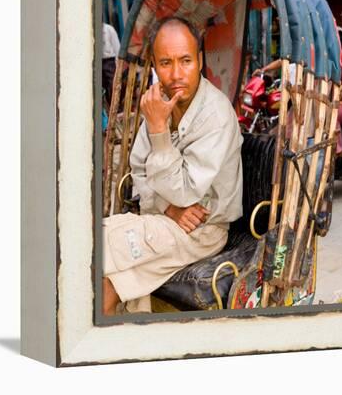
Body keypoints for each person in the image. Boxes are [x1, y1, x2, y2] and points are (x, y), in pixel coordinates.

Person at [102, 16, 243, 314]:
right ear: (154, 66)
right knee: (108, 278)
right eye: (166, 63)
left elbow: (188, 193)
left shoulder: (215, 115)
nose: (176, 74)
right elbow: (139, 168)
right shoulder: (159, 103)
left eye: (186, 61)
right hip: (164, 218)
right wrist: (167, 207)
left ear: (200, 61)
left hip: (202, 230)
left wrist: (158, 131)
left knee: (100, 245)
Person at [102, 22, 120, 106]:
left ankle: (115, 106)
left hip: (109, 61)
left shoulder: (108, 29)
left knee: (112, 85)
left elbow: (117, 47)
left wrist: (119, 65)